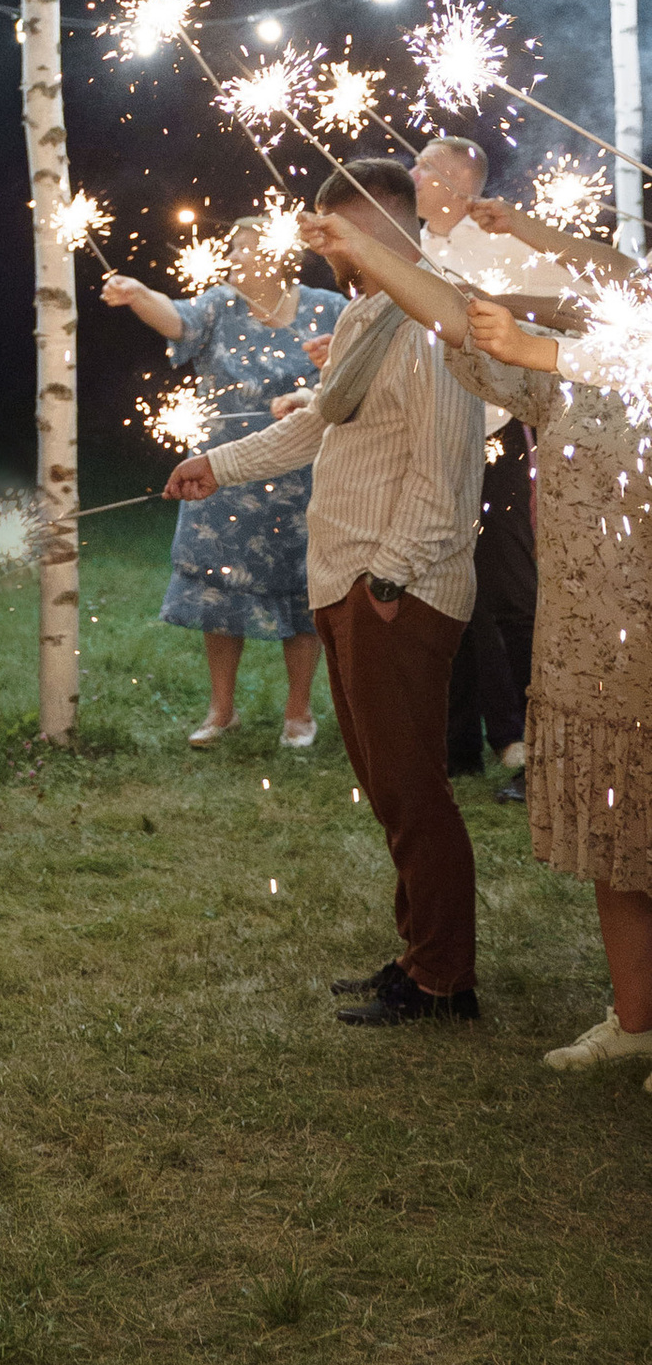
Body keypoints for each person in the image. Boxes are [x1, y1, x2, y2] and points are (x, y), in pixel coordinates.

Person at [290, 194, 651, 1086]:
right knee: (622, 838)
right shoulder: (557, 370)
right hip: (588, 638)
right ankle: (639, 1018)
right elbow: (458, 320)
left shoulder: (614, 353)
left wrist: (540, 333)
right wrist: (365, 253)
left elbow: (607, 331)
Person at [164, 160, 486, 1028]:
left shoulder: (433, 315)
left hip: (397, 589)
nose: (327, 254)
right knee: (389, 787)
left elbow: (446, 468)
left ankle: (444, 980)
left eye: (337, 235)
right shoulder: (367, 315)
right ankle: (420, 958)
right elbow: (319, 424)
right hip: (348, 582)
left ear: (379, 226)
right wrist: (216, 465)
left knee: (414, 789)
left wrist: (388, 576)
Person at [102, 220, 342, 749]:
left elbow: (355, 371)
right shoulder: (218, 304)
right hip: (222, 474)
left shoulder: (328, 306)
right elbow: (174, 321)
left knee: (303, 590)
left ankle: (298, 713)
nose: (231, 255)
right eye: (231, 247)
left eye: (242, 247)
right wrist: (139, 293)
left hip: (302, 472)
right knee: (220, 586)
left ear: (279, 255)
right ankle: (221, 710)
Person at [411, 135, 560, 797]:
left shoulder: (504, 248)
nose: (411, 174)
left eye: (423, 166)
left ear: (455, 182)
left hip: (495, 434)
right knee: (448, 584)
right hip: (435, 435)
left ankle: (535, 743)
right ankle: (461, 739)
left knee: (509, 592)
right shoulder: (415, 245)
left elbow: (562, 322)